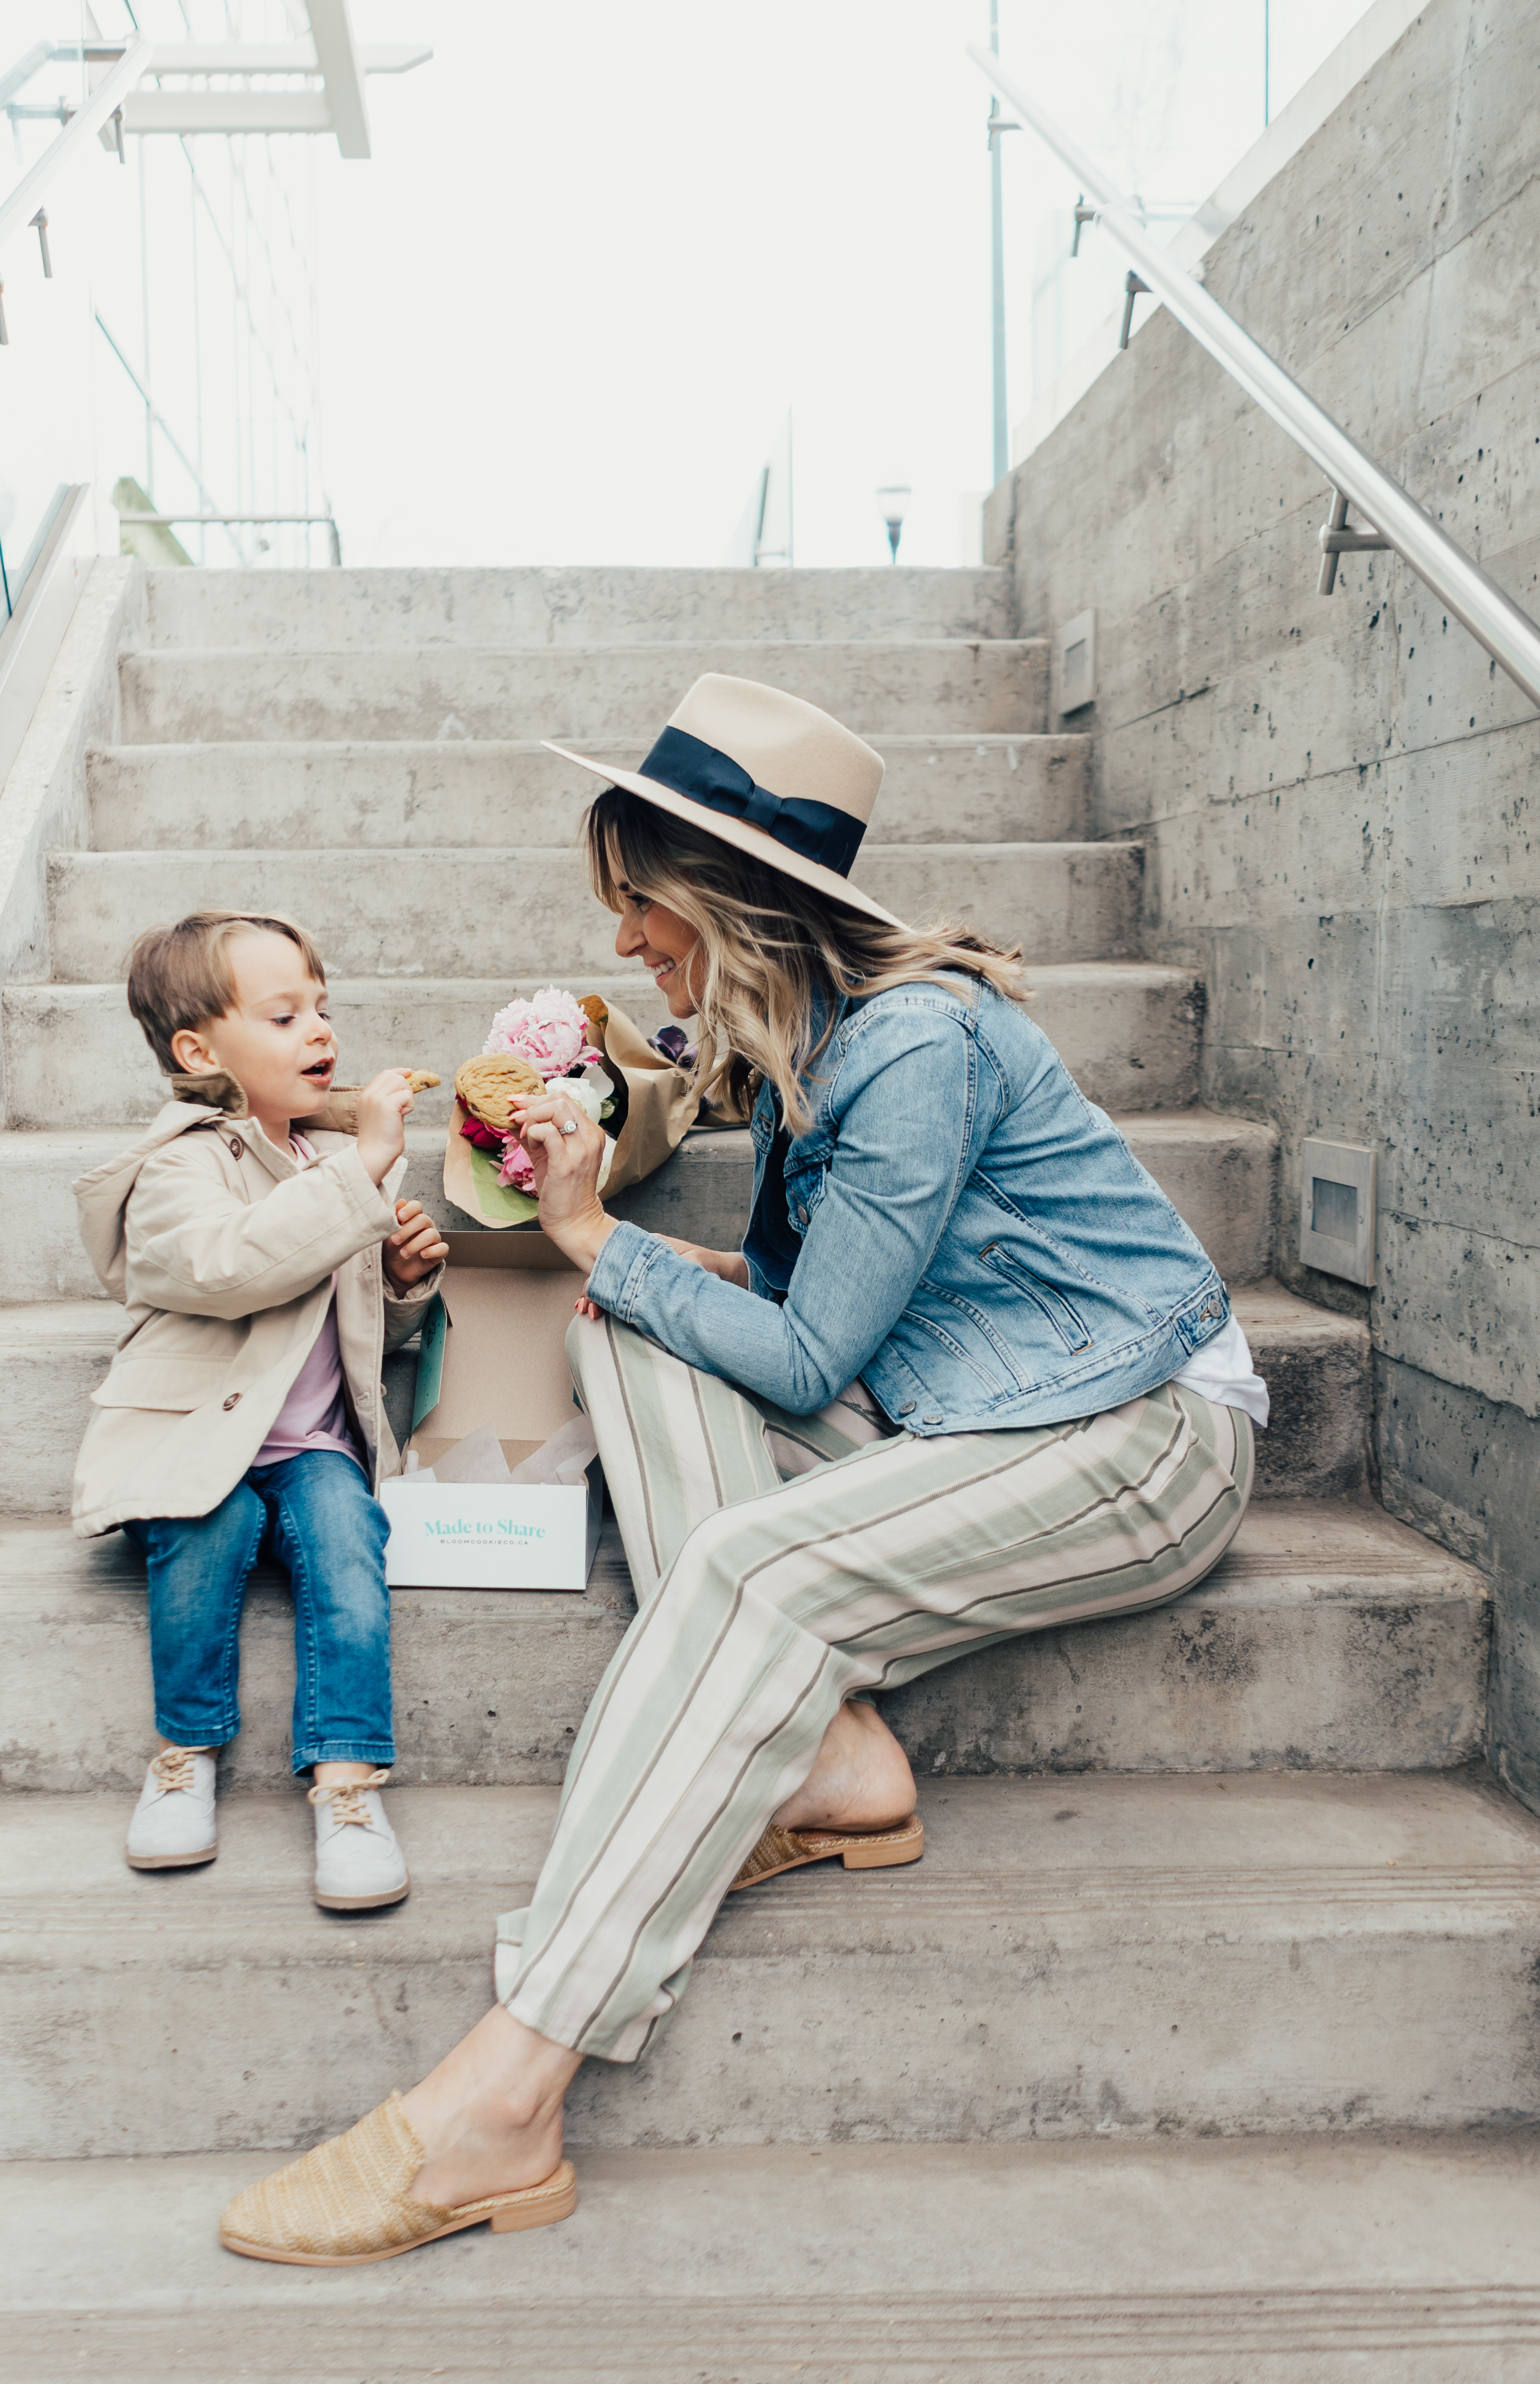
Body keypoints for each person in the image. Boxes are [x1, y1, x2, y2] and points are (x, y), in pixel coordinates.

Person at [216, 676, 1266, 2265]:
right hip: (974, 1405)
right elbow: (785, 1307)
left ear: (737, 900)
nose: (628, 940)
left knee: (735, 1566)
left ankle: (503, 2094)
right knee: (623, 1324)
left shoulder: (913, 1044)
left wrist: (593, 1229)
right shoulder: (796, 1041)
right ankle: (826, 1749)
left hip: (1134, 1434)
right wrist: (600, 1231)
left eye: (644, 908)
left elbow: (796, 1362)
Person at [71, 909, 446, 1908]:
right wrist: (362, 1172)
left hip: (311, 1447)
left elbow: (361, 1335)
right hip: (202, 1441)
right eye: (283, 1015)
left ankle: (348, 1783)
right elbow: (229, 1267)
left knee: (346, 1533)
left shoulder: (338, 1161)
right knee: (204, 1527)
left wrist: (402, 1283)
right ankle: (184, 1753)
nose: (319, 1030)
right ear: (200, 1050)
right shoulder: (177, 1167)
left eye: (322, 1008)